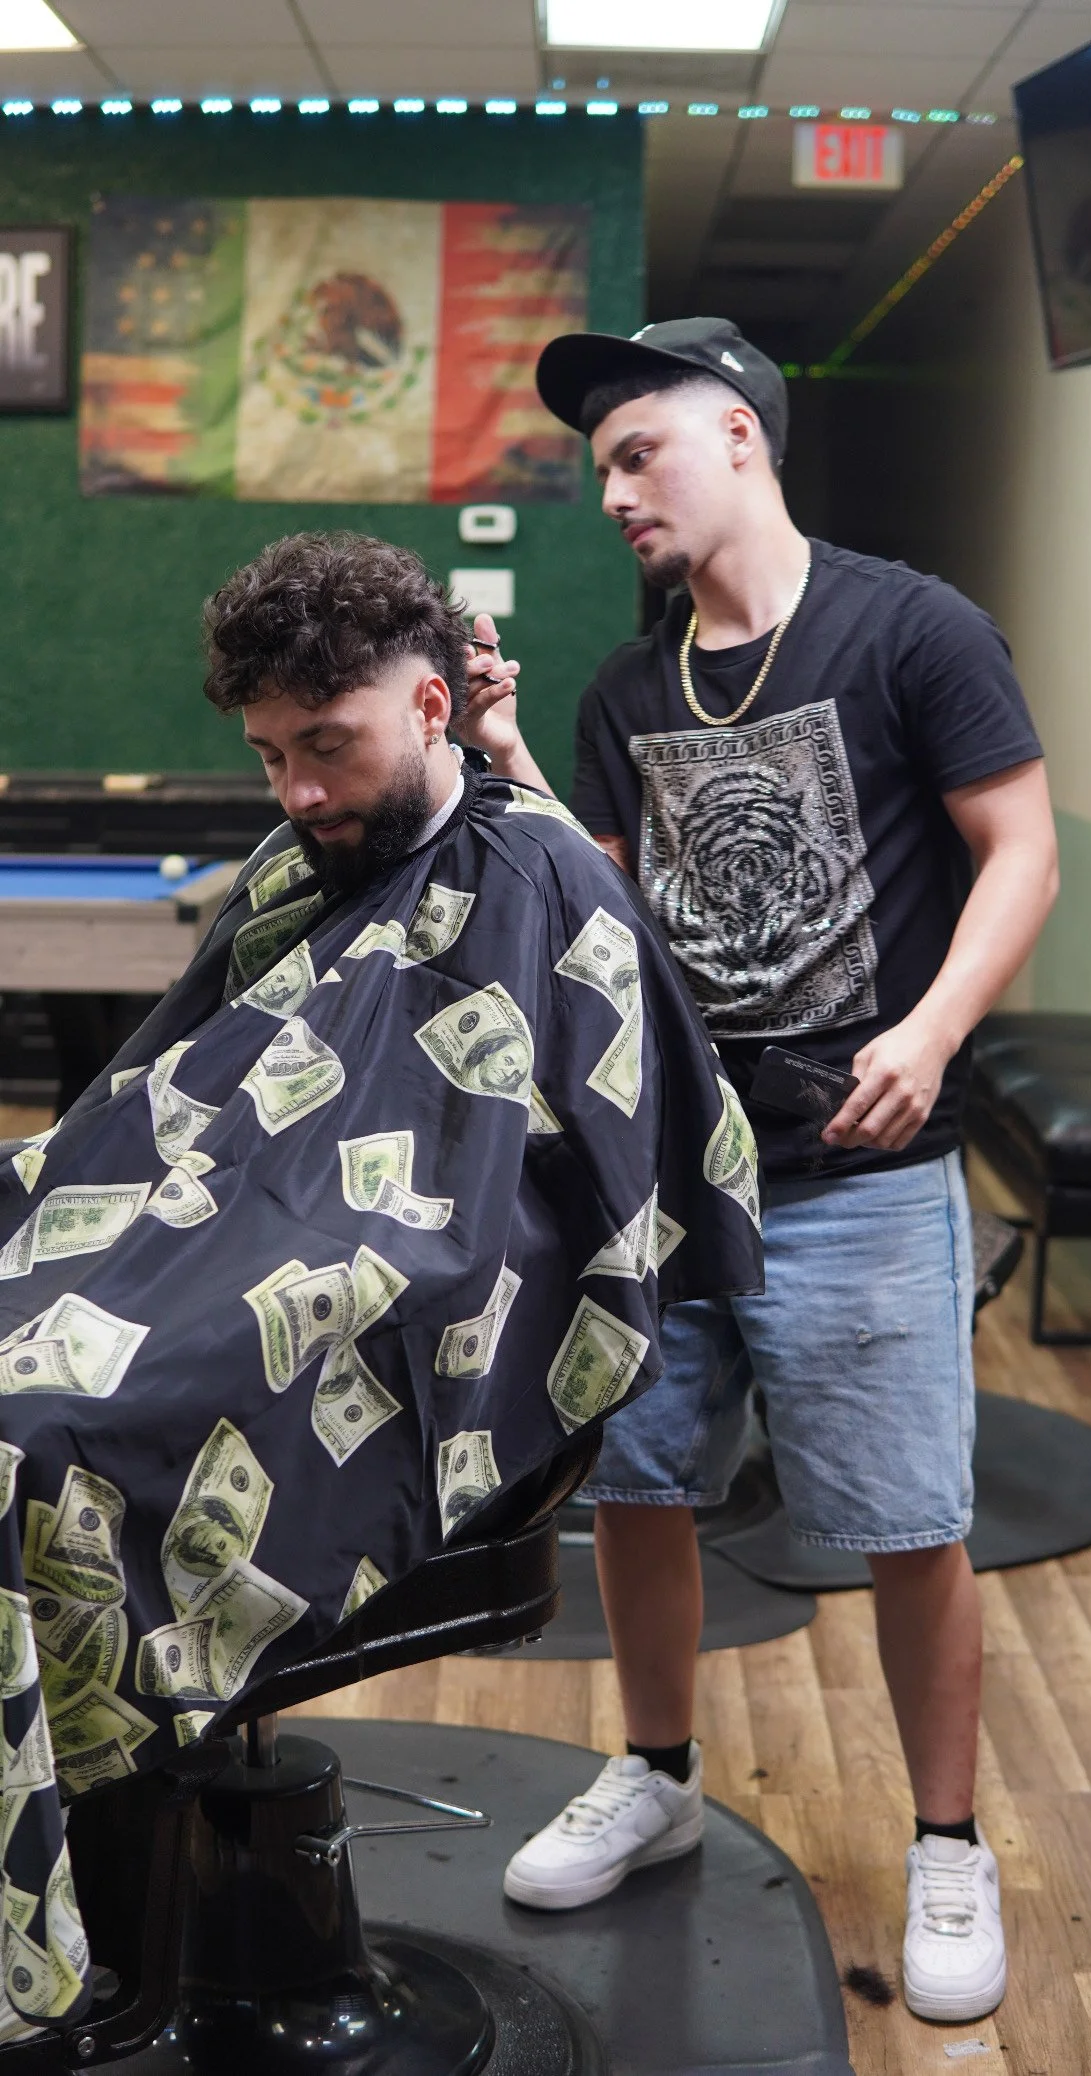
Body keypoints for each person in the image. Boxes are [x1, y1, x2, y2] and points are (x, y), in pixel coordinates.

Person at [0, 531, 763, 2040]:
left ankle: (80, 1915)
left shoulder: (537, 874)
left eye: (326, 746)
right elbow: (169, 1100)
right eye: (272, 753)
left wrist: (237, 1279)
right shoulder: (309, 868)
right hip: (220, 1251)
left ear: (431, 708)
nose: (294, 791)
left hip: (403, 1316)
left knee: (33, 1432)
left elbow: (533, 1209)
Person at [459, 320, 1060, 2024]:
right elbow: (618, 915)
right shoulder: (626, 689)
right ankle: (654, 1775)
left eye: (636, 453)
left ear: (738, 435)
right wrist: (505, 760)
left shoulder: (907, 626)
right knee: (641, 1492)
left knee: (902, 1520)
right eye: (596, 470)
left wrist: (933, 1033)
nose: (611, 492)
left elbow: (1018, 847)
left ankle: (945, 1840)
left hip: (865, 1171)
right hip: (672, 1170)